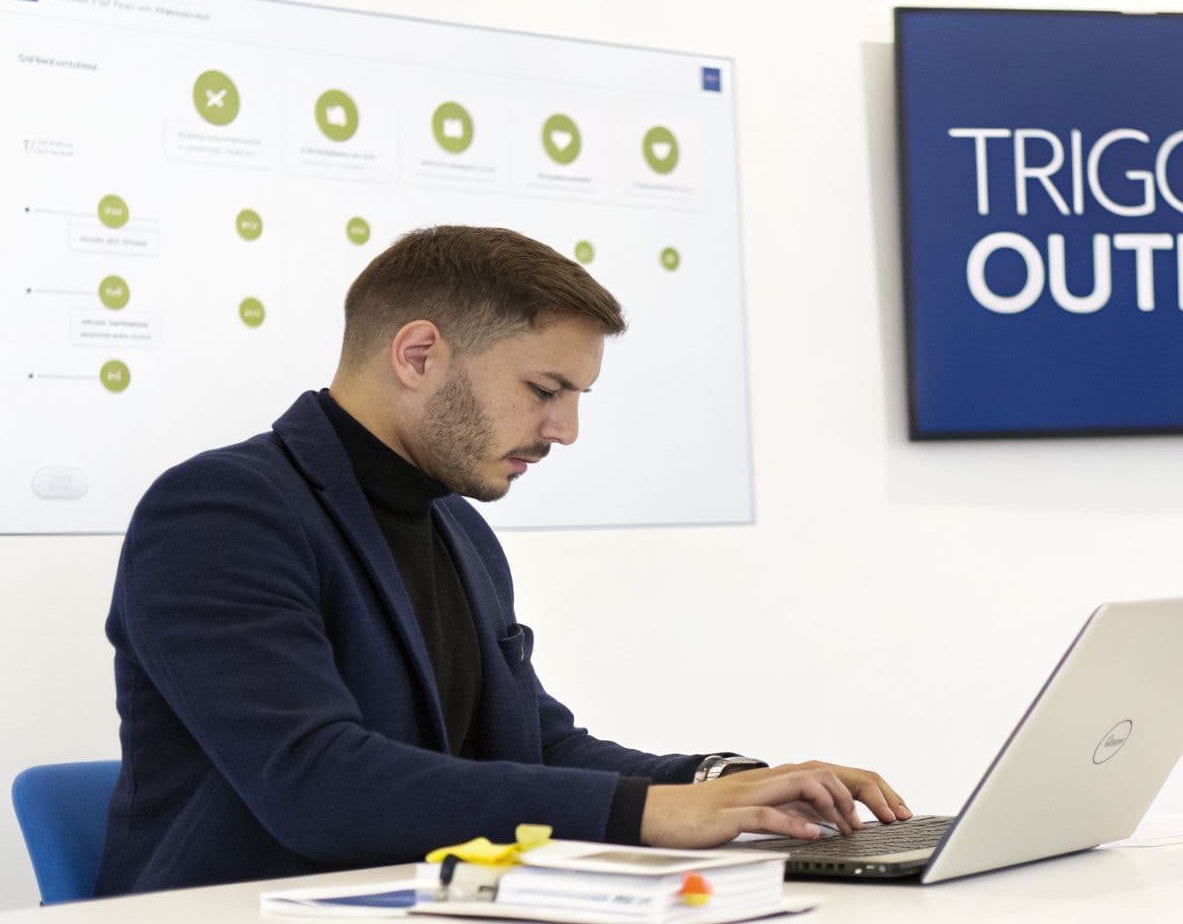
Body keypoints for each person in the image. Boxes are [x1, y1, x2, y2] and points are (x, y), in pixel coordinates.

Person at [96, 225, 907, 896]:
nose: (565, 431)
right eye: (545, 389)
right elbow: (316, 785)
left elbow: (533, 746)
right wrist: (651, 817)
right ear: (418, 356)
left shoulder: (456, 522)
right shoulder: (220, 510)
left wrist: (718, 784)